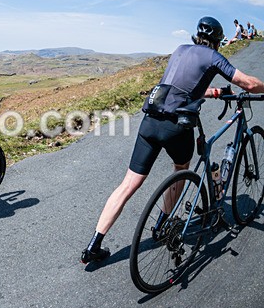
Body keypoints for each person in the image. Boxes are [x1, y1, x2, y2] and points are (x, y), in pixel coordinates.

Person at [81, 17, 264, 264]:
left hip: (150, 121)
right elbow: (249, 84)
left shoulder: (180, 50)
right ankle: (161, 225)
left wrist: (214, 92)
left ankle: (94, 245)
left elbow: (182, 87)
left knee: (128, 184)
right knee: (181, 169)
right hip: (175, 127)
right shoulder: (214, 57)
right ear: (218, 41)